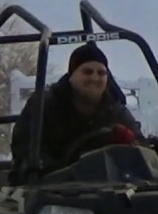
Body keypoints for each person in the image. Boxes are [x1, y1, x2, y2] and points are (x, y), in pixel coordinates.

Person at [10, 42, 143, 177]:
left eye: (101, 73)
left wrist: (130, 143)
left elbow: (142, 150)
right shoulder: (44, 105)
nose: (95, 78)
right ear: (72, 76)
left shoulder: (115, 110)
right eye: (87, 72)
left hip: (106, 188)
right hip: (53, 188)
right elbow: (25, 150)